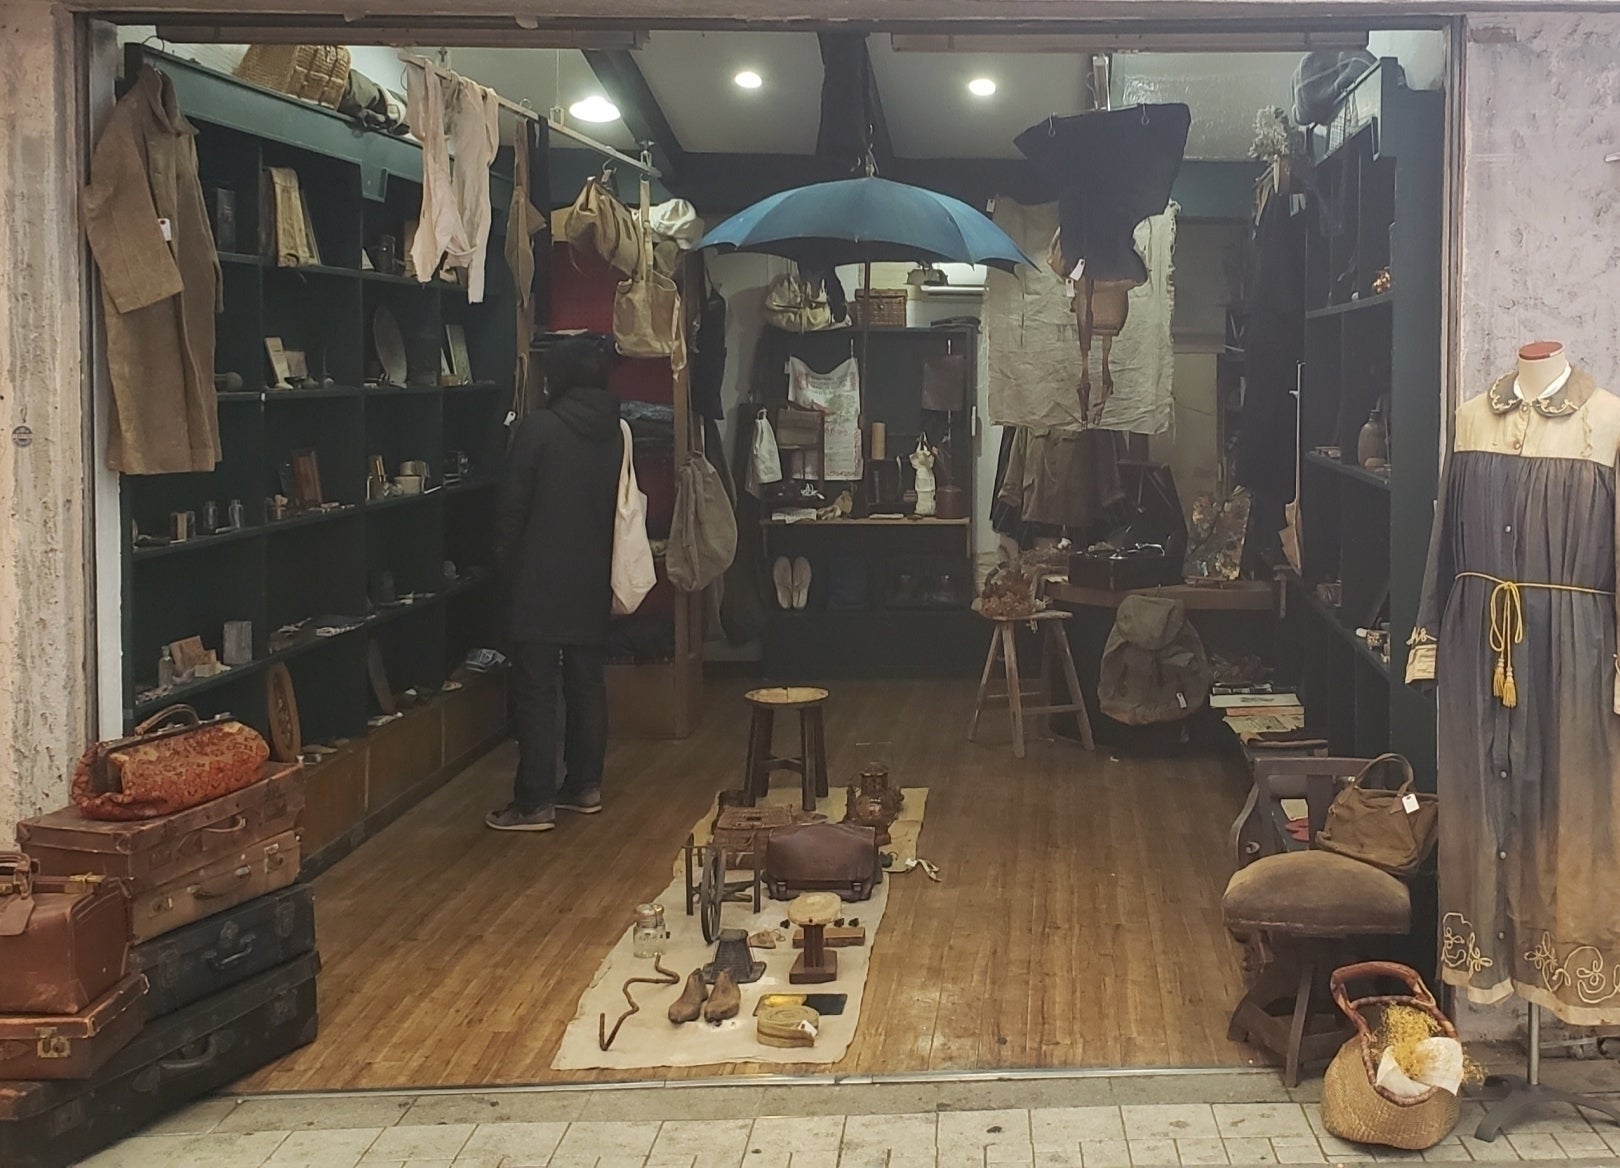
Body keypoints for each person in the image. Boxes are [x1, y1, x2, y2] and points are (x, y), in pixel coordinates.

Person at [487, 337, 623, 831]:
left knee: (536, 690)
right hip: (592, 573)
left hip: (538, 577)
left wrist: (501, 565)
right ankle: (584, 786)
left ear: (558, 377)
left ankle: (534, 802)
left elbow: (512, 507)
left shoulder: (538, 428)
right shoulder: (615, 431)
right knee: (587, 684)